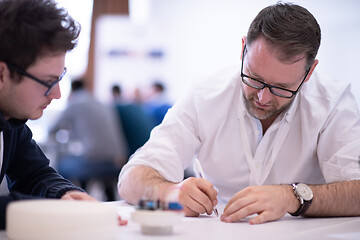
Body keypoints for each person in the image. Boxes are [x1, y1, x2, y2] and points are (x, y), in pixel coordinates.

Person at [118, 2, 360, 225]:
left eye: (282, 88)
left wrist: (293, 197)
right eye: (254, 79)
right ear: (243, 49)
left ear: (309, 73)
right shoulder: (204, 96)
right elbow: (131, 179)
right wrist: (167, 192)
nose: (263, 98)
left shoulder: (333, 104)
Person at [0, 0, 106, 229]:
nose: (57, 94)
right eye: (48, 82)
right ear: (1, 74)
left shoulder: (12, 122)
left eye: (59, 79)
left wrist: (65, 195)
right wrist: (51, 211)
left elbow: (35, 175)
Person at [49, 79, 128, 201]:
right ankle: (105, 198)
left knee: (63, 165)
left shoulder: (74, 103)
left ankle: (68, 199)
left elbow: (52, 129)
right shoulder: (101, 103)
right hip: (118, 162)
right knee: (86, 161)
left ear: (72, 91)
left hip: (95, 162)